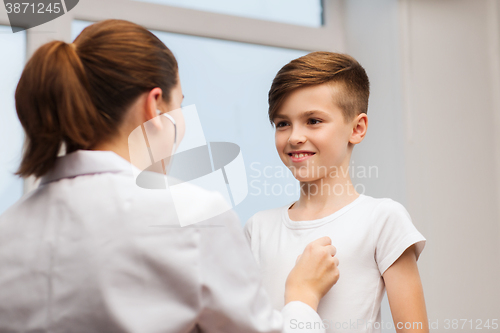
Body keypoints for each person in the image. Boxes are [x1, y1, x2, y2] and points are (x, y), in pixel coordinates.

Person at [0, 20, 341, 333]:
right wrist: (302, 297)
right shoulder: (189, 215)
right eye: (181, 105)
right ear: (155, 106)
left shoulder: (9, 228)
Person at [244, 52, 429, 332]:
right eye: (283, 123)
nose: (294, 137)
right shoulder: (258, 228)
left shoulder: (382, 220)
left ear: (357, 128)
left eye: (313, 121)